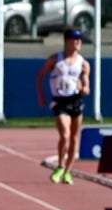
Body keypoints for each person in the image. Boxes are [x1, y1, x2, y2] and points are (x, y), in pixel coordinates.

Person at [36, 27, 91, 185]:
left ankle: (68, 172)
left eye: (80, 40)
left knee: (74, 138)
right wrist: (41, 95)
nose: (78, 42)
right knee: (65, 135)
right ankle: (60, 165)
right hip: (60, 101)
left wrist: (82, 87)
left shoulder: (83, 64)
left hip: (76, 101)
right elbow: (40, 75)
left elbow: (87, 89)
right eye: (75, 39)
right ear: (67, 41)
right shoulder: (55, 59)